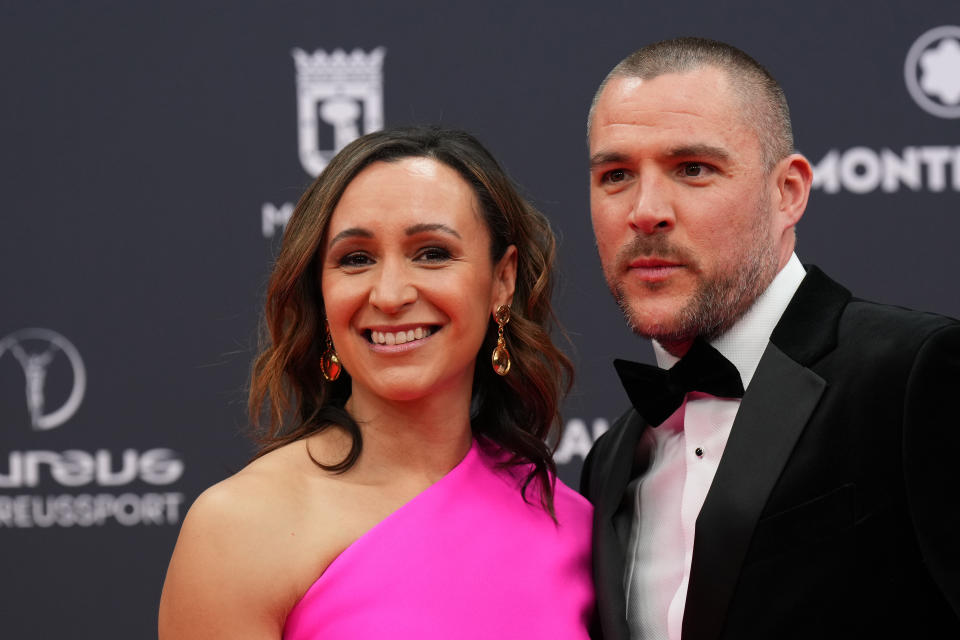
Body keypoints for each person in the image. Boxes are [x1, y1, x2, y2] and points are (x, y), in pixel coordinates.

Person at [580, 37, 960, 640]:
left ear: (788, 193)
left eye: (693, 169)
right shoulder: (609, 462)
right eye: (616, 174)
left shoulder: (917, 375)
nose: (645, 210)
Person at [158, 126, 594, 639]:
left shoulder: (570, 521)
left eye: (432, 253)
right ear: (320, 292)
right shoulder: (239, 528)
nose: (389, 295)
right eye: (356, 259)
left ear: (503, 280)